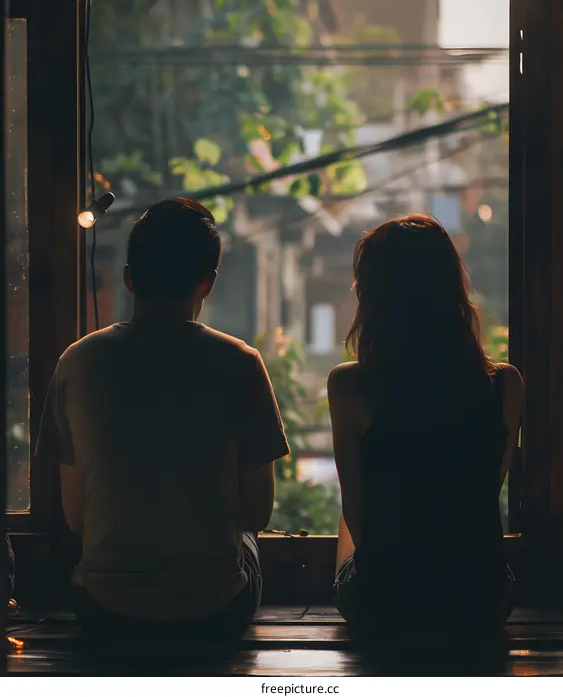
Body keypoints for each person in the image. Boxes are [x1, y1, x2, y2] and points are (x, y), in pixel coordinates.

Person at [36, 198, 289, 643]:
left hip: (105, 610)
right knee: (246, 545)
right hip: (212, 613)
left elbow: (77, 519)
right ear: (207, 284)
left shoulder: (77, 362)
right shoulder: (240, 362)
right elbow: (257, 512)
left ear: (130, 278)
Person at [328, 215, 523, 644]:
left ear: (371, 295)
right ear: (454, 287)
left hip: (385, 606)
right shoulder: (504, 383)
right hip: (481, 601)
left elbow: (359, 519)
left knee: (352, 516)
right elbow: (482, 490)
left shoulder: (350, 385)